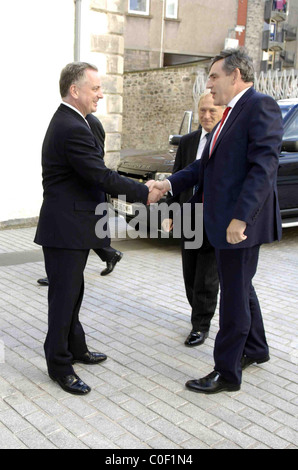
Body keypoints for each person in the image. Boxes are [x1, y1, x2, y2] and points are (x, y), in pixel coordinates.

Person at [148, 48, 283, 394]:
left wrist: (241, 219)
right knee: (241, 286)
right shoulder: (229, 115)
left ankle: (226, 373)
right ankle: (255, 348)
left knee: (234, 297)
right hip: (222, 222)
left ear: (235, 76)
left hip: (238, 225)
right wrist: (168, 183)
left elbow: (263, 170)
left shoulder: (259, 107)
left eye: (214, 76)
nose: (209, 83)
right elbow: (203, 166)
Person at [34, 62, 161, 395]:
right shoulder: (71, 126)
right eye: (95, 89)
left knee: (73, 293)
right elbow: (100, 176)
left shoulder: (75, 122)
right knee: (63, 300)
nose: (101, 95)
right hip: (65, 229)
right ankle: (59, 365)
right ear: (75, 91)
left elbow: (95, 177)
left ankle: (76, 348)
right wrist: (144, 191)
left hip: (73, 227)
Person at [163, 91, 224, 347]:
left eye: (212, 110)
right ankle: (196, 313)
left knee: (207, 277)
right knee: (190, 274)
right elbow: (178, 177)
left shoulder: (226, 141)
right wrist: (170, 211)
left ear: (222, 111)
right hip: (189, 215)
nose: (207, 116)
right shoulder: (188, 142)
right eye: (202, 111)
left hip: (213, 218)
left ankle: (201, 325)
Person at [36, 114, 122, 287]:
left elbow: (96, 160)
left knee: (80, 238)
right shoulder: (71, 121)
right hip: (71, 203)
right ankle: (109, 255)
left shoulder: (91, 123)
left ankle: (109, 255)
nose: (98, 96)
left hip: (85, 198)